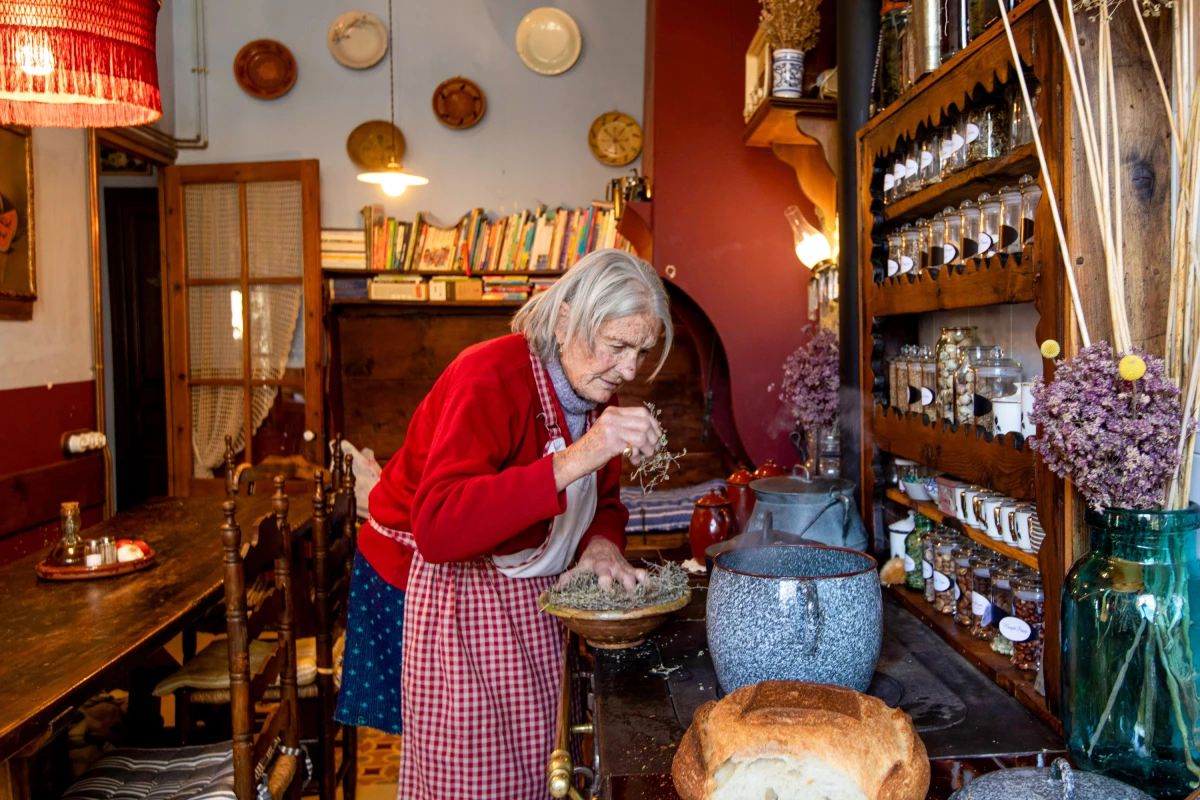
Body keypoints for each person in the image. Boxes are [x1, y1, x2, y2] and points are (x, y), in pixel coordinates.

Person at [359, 248, 671, 798]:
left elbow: (606, 503)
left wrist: (600, 545)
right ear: (567, 319)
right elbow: (438, 525)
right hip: (447, 582)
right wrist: (581, 454)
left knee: (541, 762)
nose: (628, 369)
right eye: (618, 345)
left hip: (529, 583)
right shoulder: (490, 375)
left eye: (641, 351)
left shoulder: (597, 390)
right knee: (474, 772)